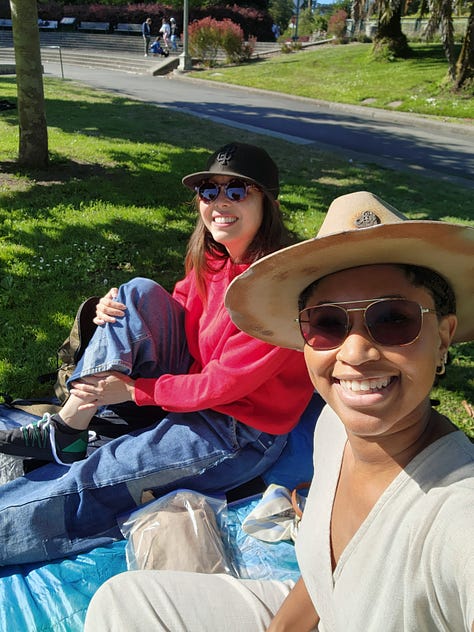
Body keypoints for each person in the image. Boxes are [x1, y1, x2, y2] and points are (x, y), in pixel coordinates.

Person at [84, 191, 474, 632]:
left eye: (393, 319)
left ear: (444, 336)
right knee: (122, 600)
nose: (357, 351)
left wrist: (140, 391)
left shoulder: (457, 518)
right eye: (327, 323)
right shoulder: (333, 428)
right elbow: (326, 576)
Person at [0, 142, 314, 565]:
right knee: (137, 292)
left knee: (100, 476)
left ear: (268, 203)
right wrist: (118, 312)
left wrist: (134, 391)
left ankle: (43, 475)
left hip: (237, 429)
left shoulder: (276, 290)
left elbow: (221, 386)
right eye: (209, 191)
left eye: (237, 191)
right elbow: (178, 307)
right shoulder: (217, 258)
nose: (220, 202)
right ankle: (70, 424)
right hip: (194, 386)